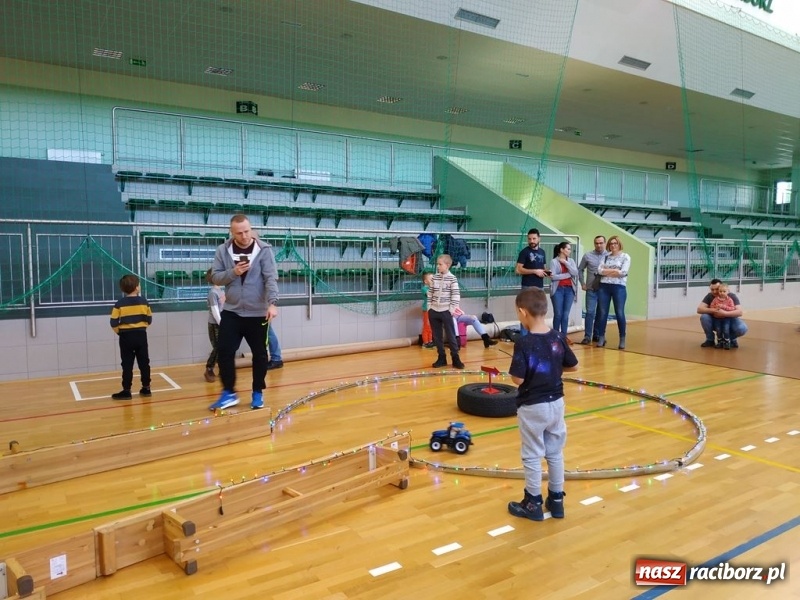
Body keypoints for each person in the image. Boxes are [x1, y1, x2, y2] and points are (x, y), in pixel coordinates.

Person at [507, 287, 578, 521]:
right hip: (556, 404)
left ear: (522, 312)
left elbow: (518, 379)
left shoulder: (524, 342)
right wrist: (552, 367)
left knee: (532, 454)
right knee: (555, 452)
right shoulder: (557, 336)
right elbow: (574, 365)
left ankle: (533, 502)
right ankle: (556, 501)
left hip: (532, 407)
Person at [208, 214, 279, 411]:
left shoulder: (264, 250)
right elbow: (216, 277)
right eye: (239, 233)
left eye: (247, 231)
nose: (245, 236)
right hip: (232, 311)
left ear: (251, 228)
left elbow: (271, 278)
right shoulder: (223, 250)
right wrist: (234, 272)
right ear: (231, 232)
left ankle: (257, 392)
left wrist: (272, 303)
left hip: (257, 313)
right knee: (224, 351)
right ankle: (228, 393)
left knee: (260, 355)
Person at [109, 274, 152, 400]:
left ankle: (126, 390)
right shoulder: (144, 302)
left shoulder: (119, 304)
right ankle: (146, 388)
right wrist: (141, 328)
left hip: (126, 336)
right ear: (137, 287)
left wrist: (120, 332)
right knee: (144, 362)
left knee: (127, 364)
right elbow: (149, 319)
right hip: (141, 335)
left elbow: (113, 322)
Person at [428, 254, 465, 369]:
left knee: (451, 335)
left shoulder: (452, 278)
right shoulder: (434, 277)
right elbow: (430, 293)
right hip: (434, 310)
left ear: (447, 265)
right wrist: (429, 307)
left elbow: (456, 295)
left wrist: (452, 309)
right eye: (437, 264)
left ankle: (455, 358)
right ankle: (441, 358)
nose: (438, 266)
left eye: (440, 264)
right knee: (437, 336)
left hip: (446, 311)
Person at [595, 235, 631, 350]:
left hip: (619, 287)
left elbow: (623, 272)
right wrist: (614, 270)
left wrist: (607, 271)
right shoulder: (605, 256)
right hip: (604, 286)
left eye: (615, 243)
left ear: (619, 244)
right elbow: (599, 270)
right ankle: (601, 337)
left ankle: (622, 338)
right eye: (611, 243)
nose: (613, 245)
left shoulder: (625, 257)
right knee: (602, 312)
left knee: (619, 312)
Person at [515, 228, 548, 335]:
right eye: (529, 239)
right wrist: (535, 271)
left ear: (539, 239)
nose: (532, 241)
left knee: (539, 312)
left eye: (534, 238)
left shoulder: (542, 252)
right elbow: (518, 269)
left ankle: (537, 337)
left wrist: (547, 273)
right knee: (525, 313)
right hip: (527, 287)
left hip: (540, 287)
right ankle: (525, 339)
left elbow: (543, 268)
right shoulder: (524, 252)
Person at [697, 278, 748, 348]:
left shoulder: (731, 296)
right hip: (716, 320)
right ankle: (710, 340)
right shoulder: (709, 296)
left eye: (717, 289)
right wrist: (714, 310)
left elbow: (739, 312)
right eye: (712, 289)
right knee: (704, 317)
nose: (714, 292)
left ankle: (731, 339)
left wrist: (724, 313)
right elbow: (699, 309)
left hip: (729, 320)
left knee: (742, 328)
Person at [577, 235, 607, 345]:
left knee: (601, 313)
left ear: (605, 243)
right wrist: (582, 283)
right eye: (596, 243)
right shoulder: (587, 255)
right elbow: (580, 269)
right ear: (594, 244)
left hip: (605, 289)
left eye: (601, 243)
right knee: (590, 312)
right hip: (591, 289)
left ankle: (597, 335)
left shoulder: (609, 256)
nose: (599, 245)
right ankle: (587, 336)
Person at [548, 241, 578, 341]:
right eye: (568, 249)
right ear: (561, 249)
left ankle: (564, 337)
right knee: (558, 314)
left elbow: (575, 272)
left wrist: (566, 263)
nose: (570, 251)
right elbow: (553, 277)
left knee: (565, 315)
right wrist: (567, 275)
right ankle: (555, 337)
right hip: (558, 290)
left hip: (569, 290)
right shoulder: (554, 261)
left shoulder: (571, 261)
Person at [204, 268, 224, 382]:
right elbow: (215, 311)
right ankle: (209, 368)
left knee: (223, 347)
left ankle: (222, 370)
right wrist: (222, 324)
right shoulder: (213, 293)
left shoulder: (221, 291)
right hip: (215, 324)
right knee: (217, 347)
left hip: (222, 323)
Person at [709, 283, 735, 349]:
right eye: (720, 291)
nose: (722, 293)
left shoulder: (729, 300)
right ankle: (720, 341)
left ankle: (727, 342)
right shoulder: (715, 299)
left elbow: (732, 308)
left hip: (726, 318)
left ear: (728, 291)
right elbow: (711, 306)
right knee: (718, 330)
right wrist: (715, 307)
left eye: (724, 291)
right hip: (717, 318)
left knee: (726, 329)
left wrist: (724, 307)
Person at [420, 271, 434, 348]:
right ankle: (425, 342)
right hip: (427, 310)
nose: (433, 281)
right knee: (426, 326)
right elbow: (429, 294)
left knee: (431, 326)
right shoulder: (424, 288)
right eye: (431, 279)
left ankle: (430, 341)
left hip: (432, 309)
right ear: (425, 281)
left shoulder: (432, 288)